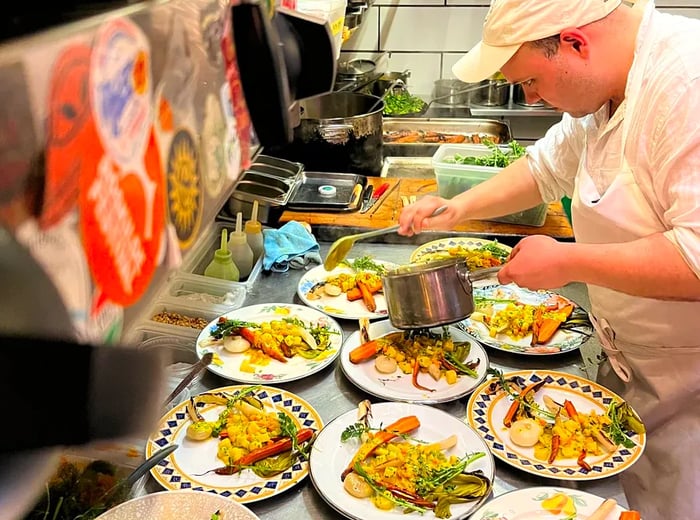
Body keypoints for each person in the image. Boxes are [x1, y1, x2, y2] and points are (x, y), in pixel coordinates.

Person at [398, 0, 700, 518]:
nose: (531, 98)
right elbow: (543, 169)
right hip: (629, 356)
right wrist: (458, 208)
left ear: (575, 43)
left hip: (687, 378)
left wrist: (569, 262)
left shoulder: (685, 86)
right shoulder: (607, 85)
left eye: (530, 81)